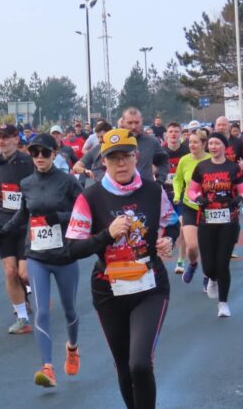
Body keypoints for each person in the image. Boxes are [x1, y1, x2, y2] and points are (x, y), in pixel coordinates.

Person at [64, 129, 179, 409]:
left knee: (140, 363)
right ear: (104, 161)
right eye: (113, 158)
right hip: (108, 289)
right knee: (124, 367)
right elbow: (72, 248)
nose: (121, 164)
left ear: (135, 157)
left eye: (126, 157)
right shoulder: (90, 197)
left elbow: (172, 222)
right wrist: (106, 235)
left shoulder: (153, 191)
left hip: (149, 285)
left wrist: (168, 239)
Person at [0, 133, 83, 388]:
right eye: (35, 153)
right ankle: (48, 367)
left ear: (55, 154)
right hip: (37, 255)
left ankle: (73, 347)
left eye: (45, 153)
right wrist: (4, 232)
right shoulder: (27, 183)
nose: (40, 157)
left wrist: (61, 217)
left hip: (65, 255)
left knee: (69, 310)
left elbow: (84, 211)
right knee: (43, 311)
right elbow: (24, 213)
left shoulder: (67, 182)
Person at [0, 123, 36, 333]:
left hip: (27, 223)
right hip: (4, 223)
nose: (1, 141)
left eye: (6, 137)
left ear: (16, 139)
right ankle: (22, 317)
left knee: (24, 274)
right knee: (10, 271)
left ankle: (33, 290)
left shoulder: (29, 162)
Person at [189, 133, 243, 317]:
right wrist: (198, 198)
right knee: (208, 265)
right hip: (207, 219)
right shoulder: (201, 167)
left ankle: (223, 304)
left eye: (218, 143)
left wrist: (239, 199)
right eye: (211, 143)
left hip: (228, 220)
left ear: (225, 147)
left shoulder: (233, 168)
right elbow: (191, 190)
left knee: (223, 263)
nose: (214, 147)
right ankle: (212, 278)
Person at [172, 130, 211, 284]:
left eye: (195, 142)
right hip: (189, 205)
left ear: (204, 144)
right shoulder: (184, 160)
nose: (192, 145)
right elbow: (177, 180)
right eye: (190, 142)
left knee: (208, 246)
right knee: (193, 246)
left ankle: (207, 276)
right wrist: (176, 195)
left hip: (210, 208)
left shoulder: (211, 160)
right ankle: (193, 264)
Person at [162, 123, 190, 273]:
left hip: (183, 194)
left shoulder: (186, 151)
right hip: (164, 194)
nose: (173, 134)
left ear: (180, 134)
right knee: (165, 226)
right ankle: (168, 245)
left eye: (176, 132)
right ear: (166, 134)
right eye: (170, 131)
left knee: (183, 227)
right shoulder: (160, 152)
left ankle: (180, 261)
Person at [120, 108, 169, 183]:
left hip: (145, 191)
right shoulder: (115, 143)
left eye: (137, 123)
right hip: (120, 191)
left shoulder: (151, 142)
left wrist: (159, 181)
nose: (133, 126)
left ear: (141, 121)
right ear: (123, 122)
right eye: (130, 123)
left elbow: (164, 163)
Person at [73, 121, 113, 185]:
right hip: (98, 185)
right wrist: (85, 171)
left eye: (102, 137)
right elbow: (76, 167)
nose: (100, 140)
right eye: (98, 137)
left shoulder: (118, 150)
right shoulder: (96, 150)